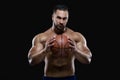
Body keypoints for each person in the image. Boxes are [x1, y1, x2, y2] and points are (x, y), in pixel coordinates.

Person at [28, 4, 92, 80]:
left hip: (70, 78)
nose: (61, 22)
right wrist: (45, 51)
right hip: (49, 78)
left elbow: (88, 59)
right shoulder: (42, 38)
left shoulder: (76, 37)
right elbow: (31, 61)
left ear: (67, 19)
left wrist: (76, 51)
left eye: (64, 18)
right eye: (58, 18)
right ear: (52, 17)